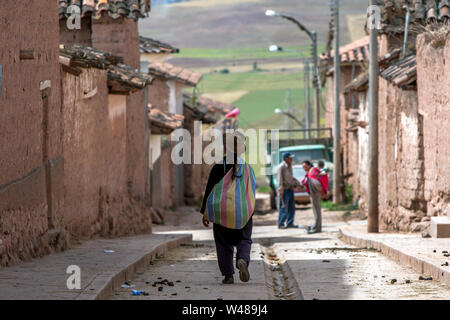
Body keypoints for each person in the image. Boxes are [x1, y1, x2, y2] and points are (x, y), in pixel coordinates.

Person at [200, 132, 254, 285]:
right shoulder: (247, 169)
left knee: (223, 243)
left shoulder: (217, 167)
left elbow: (210, 191)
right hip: (242, 213)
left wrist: (205, 213)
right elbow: (251, 193)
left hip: (221, 212)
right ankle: (242, 259)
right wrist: (250, 212)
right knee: (244, 239)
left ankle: (228, 275)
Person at [277, 152, 301, 229]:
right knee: (283, 207)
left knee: (291, 207)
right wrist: (280, 190)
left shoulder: (290, 166)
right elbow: (280, 179)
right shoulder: (281, 167)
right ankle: (281, 223)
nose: (291, 159)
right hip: (284, 190)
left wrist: (298, 184)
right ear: (286, 158)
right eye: (290, 157)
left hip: (290, 189)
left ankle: (290, 222)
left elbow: (291, 178)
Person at [301, 160, 323, 234]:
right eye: (303, 167)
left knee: (317, 211)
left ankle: (318, 228)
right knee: (315, 210)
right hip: (313, 193)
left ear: (309, 165)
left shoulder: (312, 171)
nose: (304, 168)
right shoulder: (310, 171)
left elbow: (316, 183)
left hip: (315, 194)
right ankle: (316, 226)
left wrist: (317, 192)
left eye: (305, 166)